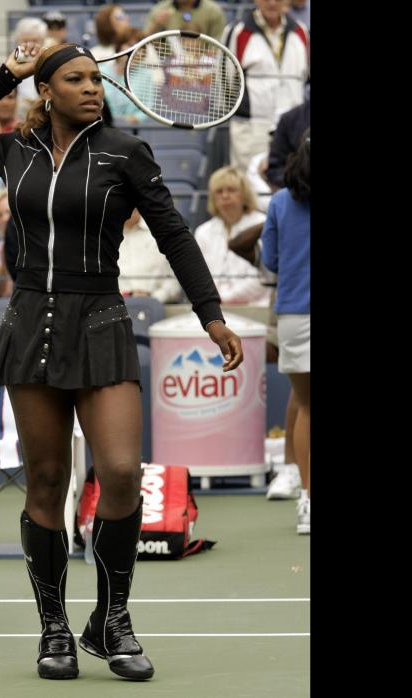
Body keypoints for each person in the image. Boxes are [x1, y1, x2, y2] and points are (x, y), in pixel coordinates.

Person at [0, 40, 244, 681]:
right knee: (45, 481)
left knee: (122, 473)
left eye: (94, 80)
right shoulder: (12, 150)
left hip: (101, 319)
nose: (91, 88)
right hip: (30, 321)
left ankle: (112, 619)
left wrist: (210, 313)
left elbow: (173, 233)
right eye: (74, 79)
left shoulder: (127, 152)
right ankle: (54, 630)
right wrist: (4, 75)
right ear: (47, 91)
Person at [261, 128, 310, 535]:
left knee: (306, 403)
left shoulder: (279, 203)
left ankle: (307, 502)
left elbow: (271, 261)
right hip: (296, 311)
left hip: (295, 315)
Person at [223, 0, 309, 170]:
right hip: (251, 128)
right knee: (250, 188)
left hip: (293, 129)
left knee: (295, 185)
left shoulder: (301, 31)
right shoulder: (237, 32)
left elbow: (305, 77)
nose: (272, 3)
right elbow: (226, 80)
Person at [193, 166, 270, 305]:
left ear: (244, 194)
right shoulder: (203, 231)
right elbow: (198, 276)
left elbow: (263, 277)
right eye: (219, 191)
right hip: (214, 308)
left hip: (255, 307)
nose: (225, 196)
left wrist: (225, 298)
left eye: (231, 190)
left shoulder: (261, 224)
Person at [117, 209, 182, 302]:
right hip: (114, 309)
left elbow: (173, 285)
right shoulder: (102, 237)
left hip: (158, 309)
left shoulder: (160, 232)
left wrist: (151, 299)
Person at [145, 0, 227, 40]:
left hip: (205, 65)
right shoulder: (159, 10)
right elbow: (144, 41)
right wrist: (156, 26)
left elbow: (219, 41)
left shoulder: (214, 11)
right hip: (166, 64)